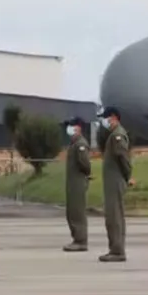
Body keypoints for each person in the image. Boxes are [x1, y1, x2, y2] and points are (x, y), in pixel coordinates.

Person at [96, 106, 133, 263]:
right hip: (112, 181)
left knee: (115, 216)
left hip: (116, 181)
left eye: (106, 118)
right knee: (112, 216)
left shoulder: (118, 136)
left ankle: (117, 251)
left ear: (114, 117)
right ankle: (115, 249)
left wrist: (127, 176)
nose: (105, 121)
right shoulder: (114, 135)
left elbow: (123, 158)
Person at [61, 117, 91, 252]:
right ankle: (76, 238)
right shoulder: (74, 144)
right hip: (73, 183)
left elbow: (85, 164)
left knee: (77, 212)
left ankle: (81, 240)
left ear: (78, 128)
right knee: (72, 212)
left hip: (78, 182)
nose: (69, 128)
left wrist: (84, 176)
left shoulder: (80, 144)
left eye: (72, 126)